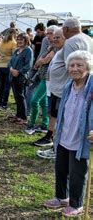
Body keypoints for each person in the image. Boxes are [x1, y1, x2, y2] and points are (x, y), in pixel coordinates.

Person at [43, 50, 93, 217]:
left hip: (81, 139)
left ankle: (76, 204)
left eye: (79, 65)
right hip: (64, 135)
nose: (74, 68)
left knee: (77, 172)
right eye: (71, 65)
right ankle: (61, 197)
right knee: (61, 168)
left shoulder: (91, 87)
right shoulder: (68, 86)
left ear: (88, 67)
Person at [37, 18, 93, 159]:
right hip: (77, 88)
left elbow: (73, 68)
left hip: (68, 90)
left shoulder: (71, 41)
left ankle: (58, 149)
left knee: (64, 119)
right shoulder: (87, 39)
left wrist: (72, 89)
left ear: (66, 30)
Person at [25, 26, 59, 137]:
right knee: (43, 102)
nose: (48, 36)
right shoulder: (50, 46)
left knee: (35, 101)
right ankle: (45, 125)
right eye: (47, 33)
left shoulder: (56, 48)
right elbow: (42, 59)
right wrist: (39, 62)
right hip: (43, 76)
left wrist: (39, 62)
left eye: (51, 33)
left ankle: (31, 124)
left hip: (49, 79)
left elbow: (45, 60)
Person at [8, 33, 33, 124]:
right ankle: (18, 114)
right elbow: (10, 62)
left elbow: (28, 65)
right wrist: (11, 69)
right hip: (12, 76)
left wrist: (18, 72)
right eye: (17, 39)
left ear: (26, 40)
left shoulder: (28, 51)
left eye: (21, 40)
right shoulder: (16, 51)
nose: (19, 41)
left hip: (21, 77)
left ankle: (23, 116)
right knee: (16, 96)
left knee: (21, 96)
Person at [0, 31, 17, 110]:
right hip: (9, 66)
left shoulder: (2, 43)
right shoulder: (13, 43)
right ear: (14, 34)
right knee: (7, 86)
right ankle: (4, 103)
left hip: (1, 66)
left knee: (1, 86)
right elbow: (14, 56)